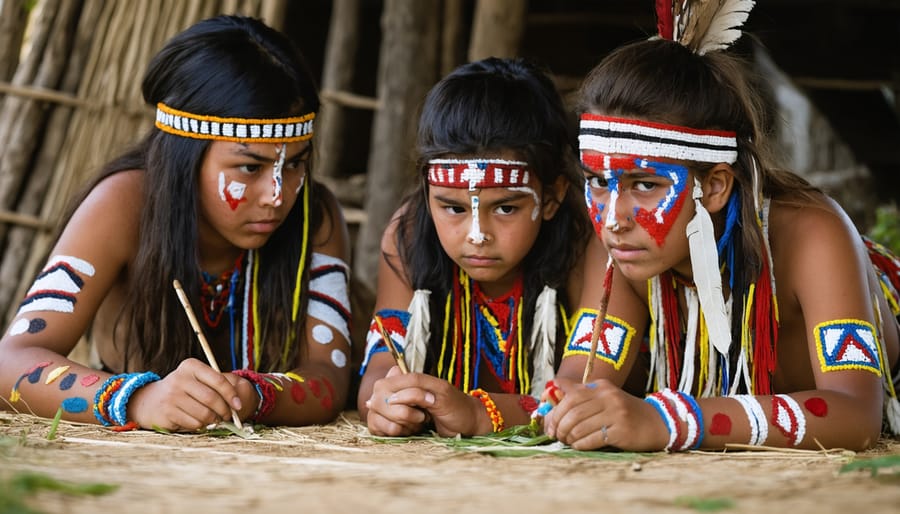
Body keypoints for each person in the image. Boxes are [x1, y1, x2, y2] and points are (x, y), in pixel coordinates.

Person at [541, 1, 900, 452]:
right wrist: (491, 410)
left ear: (714, 186)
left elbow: (854, 416)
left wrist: (668, 420)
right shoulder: (622, 248)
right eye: (597, 182)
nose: (613, 218)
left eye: (646, 184)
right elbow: (575, 388)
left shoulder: (812, 236)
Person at [0, 15, 352, 431]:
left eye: (295, 165)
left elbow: (328, 378)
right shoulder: (122, 204)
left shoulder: (315, 216)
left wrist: (253, 394)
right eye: (249, 167)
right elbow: (10, 363)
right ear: (184, 156)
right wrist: (137, 399)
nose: (278, 195)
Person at [358, 57, 600, 436]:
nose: (476, 234)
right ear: (427, 192)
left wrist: (477, 412)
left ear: (551, 198)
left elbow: (583, 394)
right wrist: (387, 402)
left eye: (505, 207)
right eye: (451, 207)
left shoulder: (587, 244)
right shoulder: (407, 237)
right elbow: (379, 371)